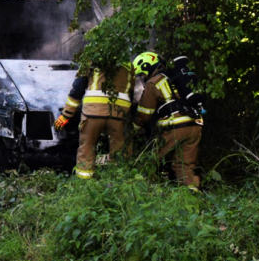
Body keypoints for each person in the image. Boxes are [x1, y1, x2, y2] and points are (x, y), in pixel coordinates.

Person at [132, 52, 202, 191]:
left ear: (147, 67)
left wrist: (133, 130)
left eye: (143, 74)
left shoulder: (154, 82)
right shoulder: (177, 77)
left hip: (175, 126)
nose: (144, 78)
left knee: (150, 160)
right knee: (185, 165)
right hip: (195, 124)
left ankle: (146, 192)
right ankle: (193, 197)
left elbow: (145, 113)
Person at [54, 63, 135, 179]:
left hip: (93, 112)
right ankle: (119, 183)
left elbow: (78, 87)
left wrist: (66, 114)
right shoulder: (129, 65)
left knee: (87, 147)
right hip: (119, 113)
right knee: (121, 152)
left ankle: (83, 183)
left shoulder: (91, 58)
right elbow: (131, 91)